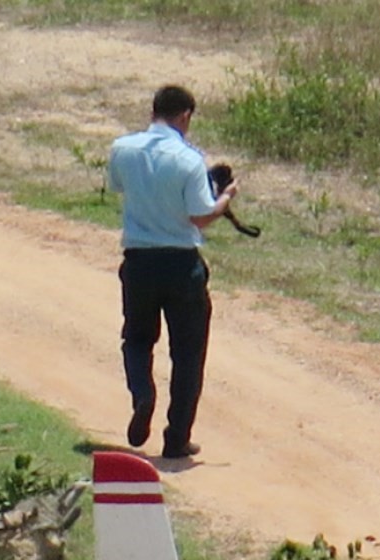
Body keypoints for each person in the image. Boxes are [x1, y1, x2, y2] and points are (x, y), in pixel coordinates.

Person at [106, 84, 239, 461]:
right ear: (185, 116)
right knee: (187, 354)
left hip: (138, 261)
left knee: (136, 338)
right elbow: (200, 215)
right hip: (182, 265)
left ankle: (142, 394)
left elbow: (118, 186)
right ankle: (176, 437)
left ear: (154, 111)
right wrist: (226, 197)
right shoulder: (188, 159)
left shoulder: (123, 149)